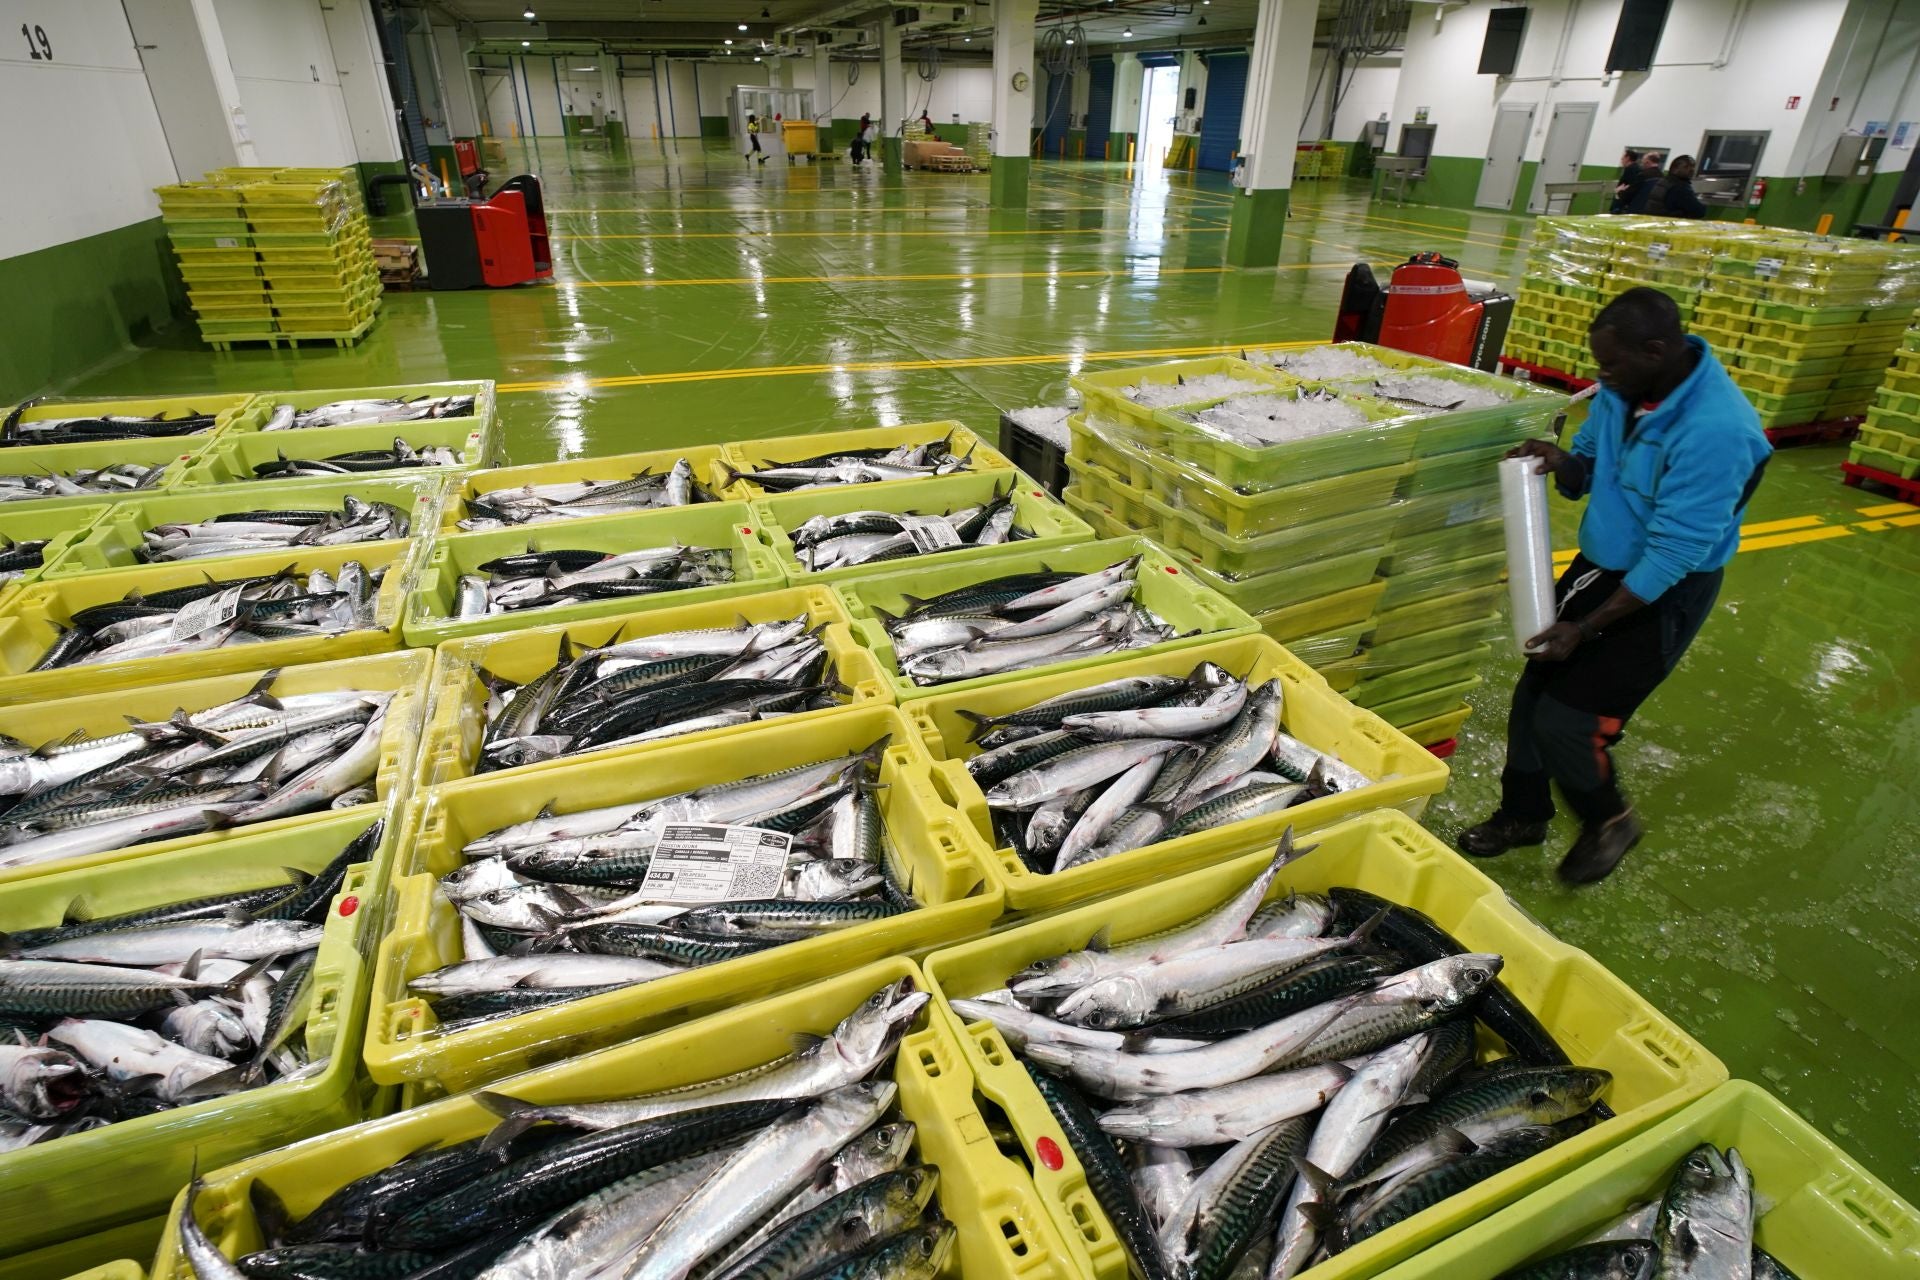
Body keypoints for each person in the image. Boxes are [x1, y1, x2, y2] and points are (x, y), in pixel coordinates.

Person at [1458, 287, 1771, 883]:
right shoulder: (1624, 391)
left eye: (1611, 364)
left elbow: (1677, 549)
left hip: (1662, 593)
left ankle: (1610, 821)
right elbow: (1592, 465)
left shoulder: (1719, 431)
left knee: (1570, 722)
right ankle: (1523, 815)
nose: (1600, 376)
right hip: (1599, 569)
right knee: (1532, 700)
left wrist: (1586, 627)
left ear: (1656, 351)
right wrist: (1560, 462)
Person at [1631, 155, 1706, 219]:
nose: (1691, 170)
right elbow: (1699, 211)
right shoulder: (1681, 188)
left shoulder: (1663, 181)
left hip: (1653, 221)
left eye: (1693, 167)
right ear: (1675, 168)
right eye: (1686, 167)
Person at [1610, 149, 1643, 214]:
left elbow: (1629, 185)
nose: (1621, 159)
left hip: (1623, 203)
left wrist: (1619, 191)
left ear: (1627, 158)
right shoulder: (1637, 169)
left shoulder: (1630, 169)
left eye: (1623, 157)